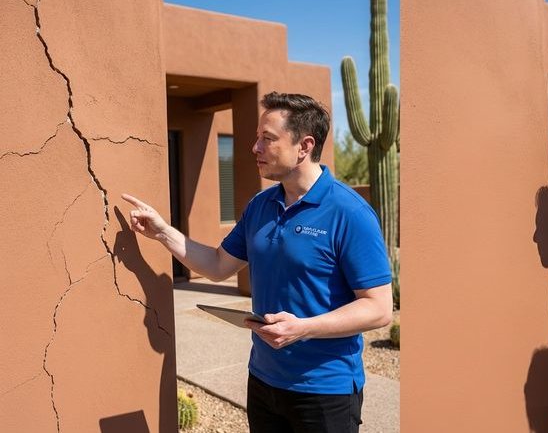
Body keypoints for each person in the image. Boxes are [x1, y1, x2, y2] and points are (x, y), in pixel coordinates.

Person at [123, 92, 393, 433]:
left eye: (267, 139)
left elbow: (379, 308)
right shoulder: (260, 206)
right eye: (256, 138)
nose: (255, 148)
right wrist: (163, 232)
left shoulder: (349, 213)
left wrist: (302, 328)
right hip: (264, 382)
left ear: (304, 146)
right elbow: (219, 265)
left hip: (325, 391)